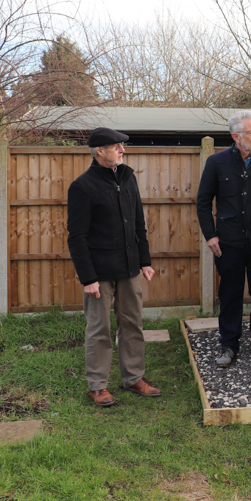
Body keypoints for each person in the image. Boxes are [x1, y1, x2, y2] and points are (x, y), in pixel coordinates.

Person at [67, 127, 161, 407]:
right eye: (117, 146)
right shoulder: (82, 186)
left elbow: (138, 224)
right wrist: (88, 278)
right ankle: (98, 385)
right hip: (99, 273)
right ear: (100, 151)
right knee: (99, 328)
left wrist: (144, 261)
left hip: (130, 267)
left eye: (122, 146)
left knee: (132, 324)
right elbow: (77, 237)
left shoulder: (128, 179)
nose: (123, 150)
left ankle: (134, 377)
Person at [196, 110, 251, 367]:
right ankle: (228, 344)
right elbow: (203, 203)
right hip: (228, 242)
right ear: (236, 136)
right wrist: (210, 236)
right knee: (230, 294)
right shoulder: (217, 163)